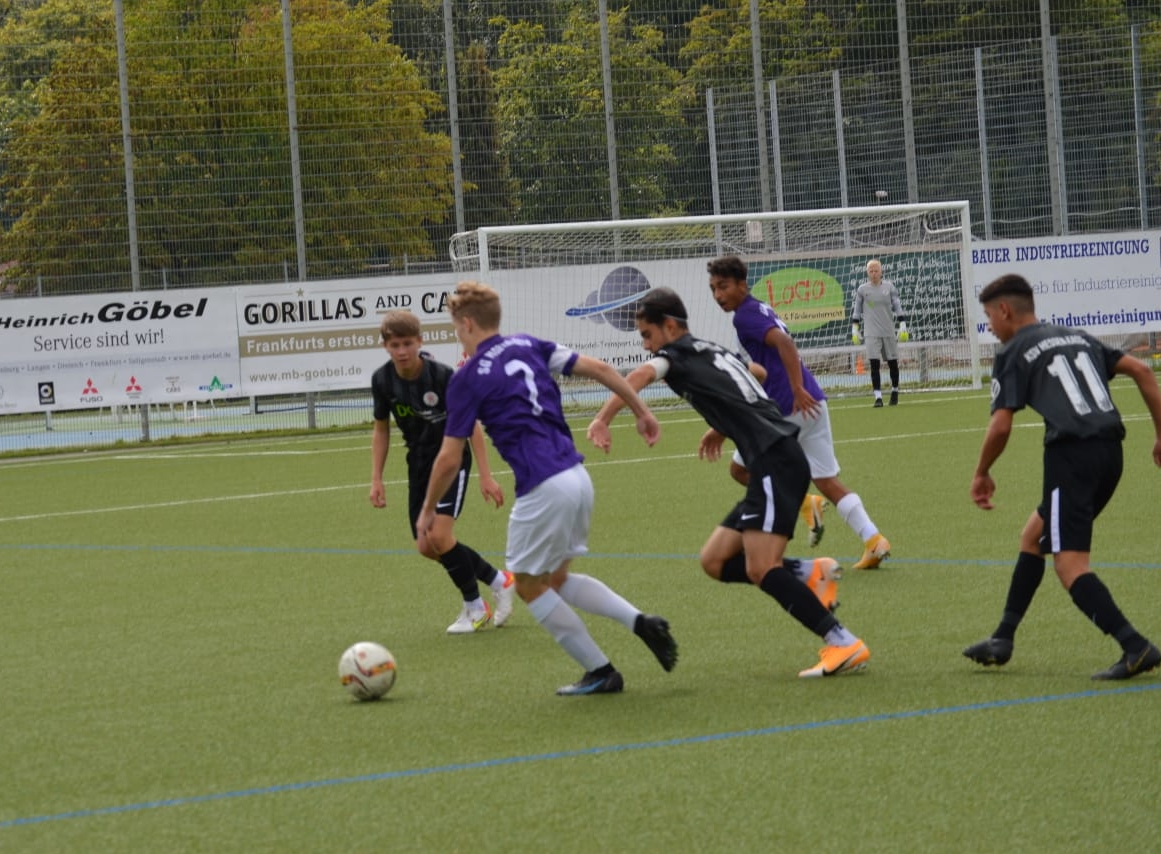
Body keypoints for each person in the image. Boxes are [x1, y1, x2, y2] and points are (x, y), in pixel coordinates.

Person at [589, 287, 870, 678]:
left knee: (762, 568)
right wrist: (722, 424)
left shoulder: (673, 355)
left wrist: (603, 419)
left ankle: (843, 642)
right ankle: (809, 572)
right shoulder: (713, 349)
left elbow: (638, 376)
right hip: (773, 459)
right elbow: (756, 374)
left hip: (775, 459)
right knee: (715, 561)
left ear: (669, 326)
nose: (646, 344)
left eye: (647, 335)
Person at [417, 281, 679, 696]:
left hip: (542, 486)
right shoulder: (528, 344)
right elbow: (602, 369)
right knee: (555, 579)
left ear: (466, 323)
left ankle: (600, 670)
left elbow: (449, 458)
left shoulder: (467, 377)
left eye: (455, 327)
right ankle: (640, 622)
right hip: (577, 476)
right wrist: (641, 411)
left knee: (527, 584)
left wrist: (428, 509)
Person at [964, 273, 1161, 679]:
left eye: (988, 317)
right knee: (1033, 536)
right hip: (1110, 453)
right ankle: (1002, 638)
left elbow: (1001, 426)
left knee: (1069, 564)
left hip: (1071, 457)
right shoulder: (1075, 336)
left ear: (1004, 310)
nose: (990, 326)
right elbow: (1143, 372)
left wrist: (982, 472)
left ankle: (1135, 646)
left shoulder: (1012, 351)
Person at [707, 255, 892, 570]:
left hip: (784, 408)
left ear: (742, 284)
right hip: (812, 402)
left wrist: (794, 389)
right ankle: (873, 540)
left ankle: (805, 505)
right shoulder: (759, 309)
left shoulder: (745, 317)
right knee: (827, 479)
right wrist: (801, 389)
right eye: (713, 288)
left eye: (723, 286)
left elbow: (784, 342)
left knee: (740, 470)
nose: (718, 295)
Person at [370, 310, 514, 634]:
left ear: (420, 342)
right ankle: (498, 580)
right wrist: (376, 478)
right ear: (385, 346)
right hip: (419, 465)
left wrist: (486, 475)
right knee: (426, 546)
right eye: (395, 345)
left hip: (452, 460)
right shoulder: (382, 381)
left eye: (408, 343)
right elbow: (381, 430)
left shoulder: (443, 377)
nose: (402, 351)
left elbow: (471, 425)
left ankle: (475, 607)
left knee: (439, 535)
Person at [851, 259, 908, 408]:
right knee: (874, 364)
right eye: (871, 271)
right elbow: (857, 310)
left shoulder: (889, 287)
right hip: (871, 333)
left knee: (892, 363)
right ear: (867, 273)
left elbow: (897, 305)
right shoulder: (862, 290)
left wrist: (902, 324)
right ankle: (878, 397)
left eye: (876, 270)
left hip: (888, 331)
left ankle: (895, 391)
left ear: (881, 271)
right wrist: (854, 328)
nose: (874, 273)